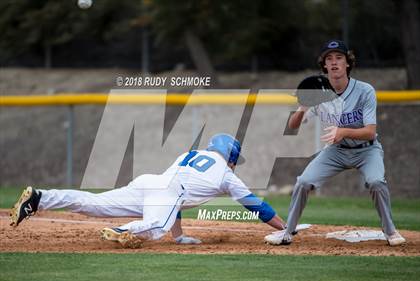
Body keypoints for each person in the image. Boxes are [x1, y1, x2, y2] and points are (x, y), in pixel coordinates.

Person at [10, 133, 286, 246]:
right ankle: (123, 230)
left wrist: (180, 238)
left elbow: (176, 197)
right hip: (166, 191)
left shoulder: (189, 154)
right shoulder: (226, 174)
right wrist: (285, 228)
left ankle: (41, 197)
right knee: (155, 229)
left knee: (93, 203)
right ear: (232, 156)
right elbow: (256, 206)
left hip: (149, 183)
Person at [273, 39, 406, 246]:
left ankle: (390, 231)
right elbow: (292, 126)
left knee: (376, 182)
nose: (334, 62)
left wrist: (343, 131)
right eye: (329, 58)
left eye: (339, 58)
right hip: (336, 151)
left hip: (366, 151)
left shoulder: (365, 91)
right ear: (324, 65)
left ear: (347, 63)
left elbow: (371, 133)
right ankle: (287, 232)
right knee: (303, 182)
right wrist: (301, 107)